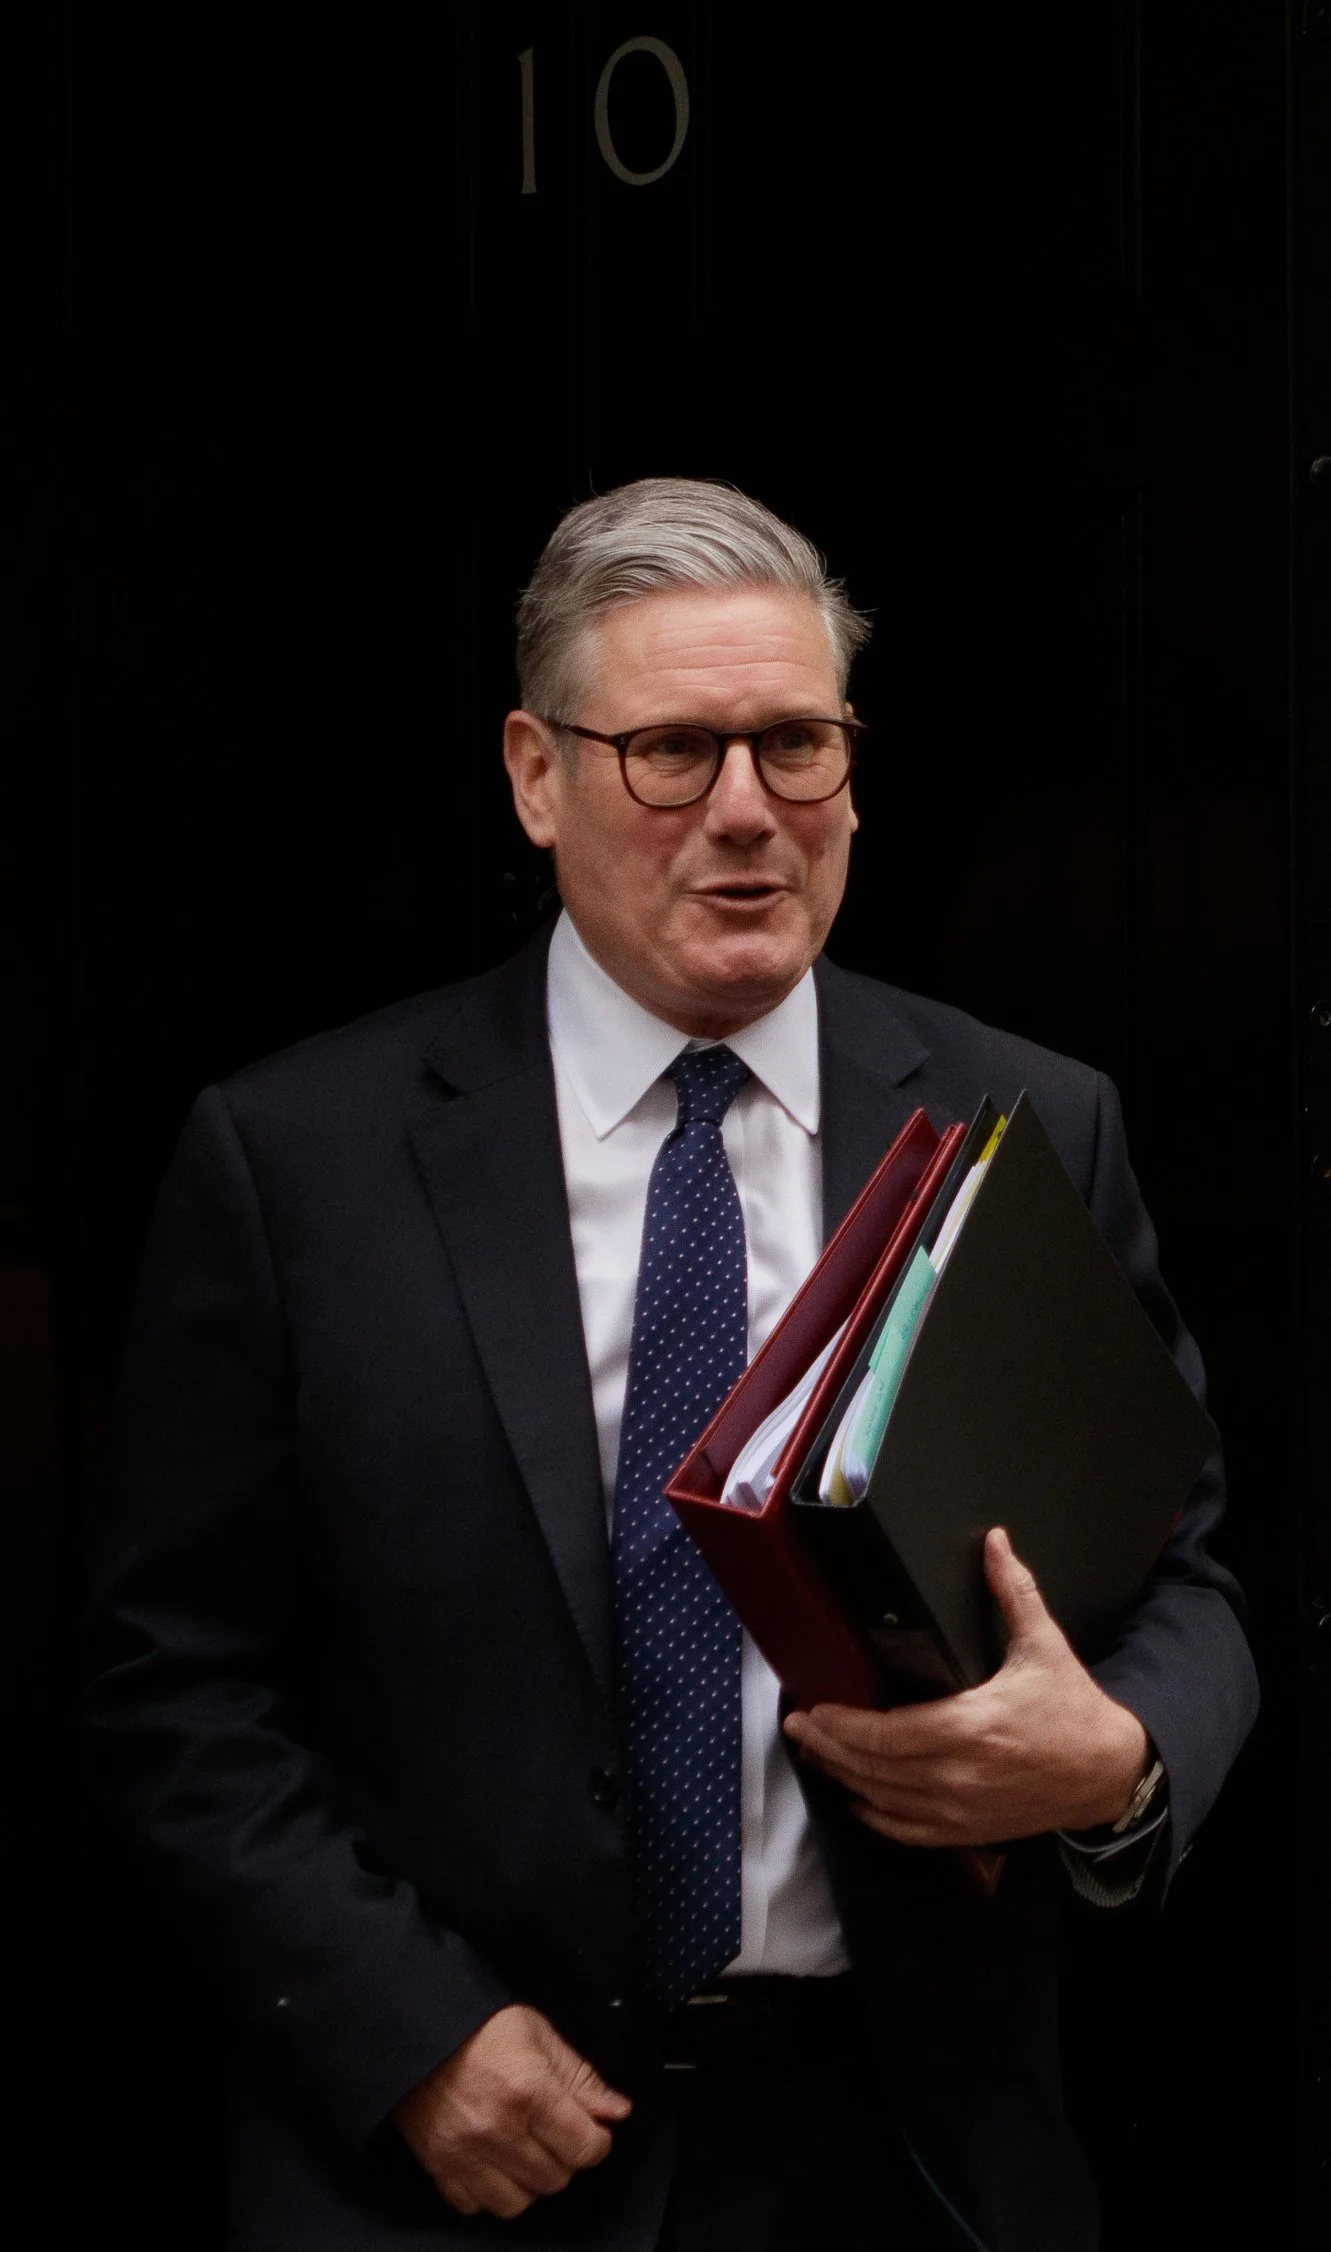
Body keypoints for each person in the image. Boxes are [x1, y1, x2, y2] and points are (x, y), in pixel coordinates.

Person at [86, 479, 1258, 2252]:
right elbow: (175, 1679)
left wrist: (1116, 1760)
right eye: (671, 754)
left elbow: (1189, 1580)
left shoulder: (1030, 1123)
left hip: (913, 2147)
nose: (746, 817)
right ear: (534, 775)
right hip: (462, 2154)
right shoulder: (297, 1161)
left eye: (795, 746)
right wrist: (407, 2036)